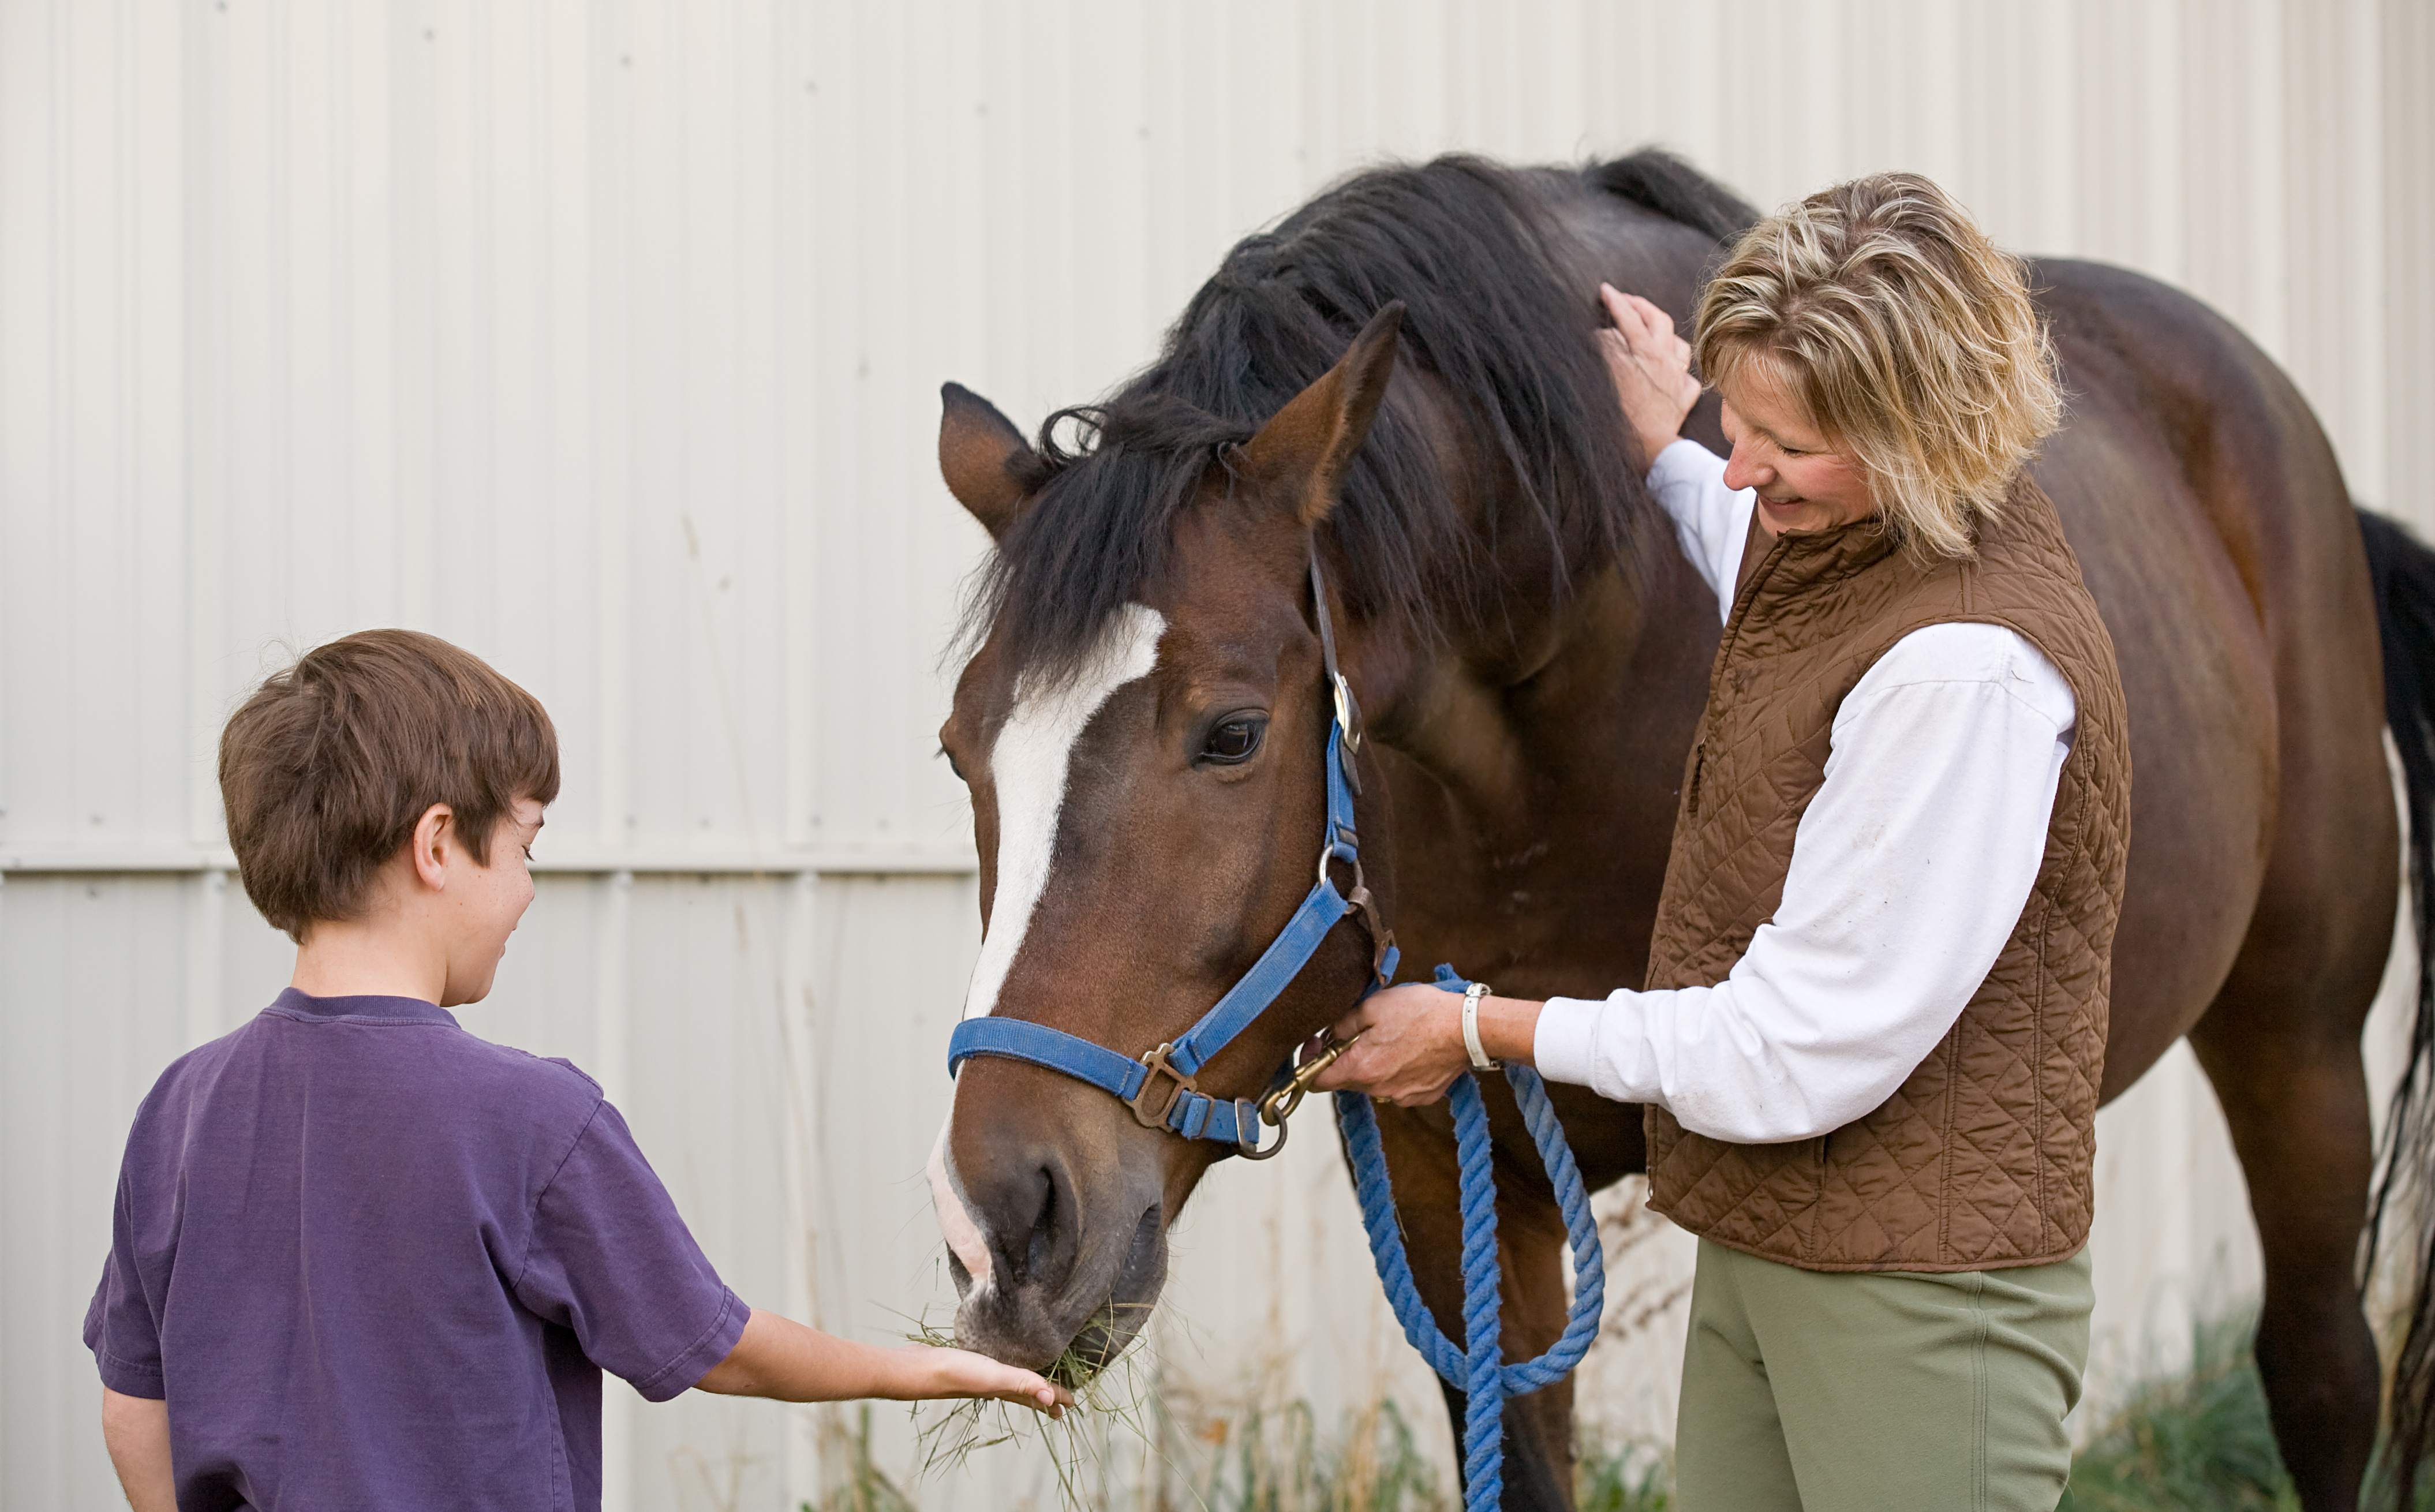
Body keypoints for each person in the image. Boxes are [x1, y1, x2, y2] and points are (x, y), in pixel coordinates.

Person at [1314, 173, 2129, 1511]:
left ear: (1924, 433)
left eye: (1783, 444)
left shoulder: (1965, 674)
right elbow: (1781, 586)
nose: (1745, 469)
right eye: (1736, 425)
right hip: (1778, 1246)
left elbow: (1785, 1049)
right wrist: (1672, 443)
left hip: (1919, 1305)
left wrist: (1474, 1030)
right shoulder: (1876, 546)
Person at [85, 629, 1068, 1512]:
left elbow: (135, 1406)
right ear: (437, 845)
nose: (526, 892)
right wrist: (924, 1372)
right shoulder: (529, 1119)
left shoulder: (179, 1109)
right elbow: (715, 1347)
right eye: (524, 846)